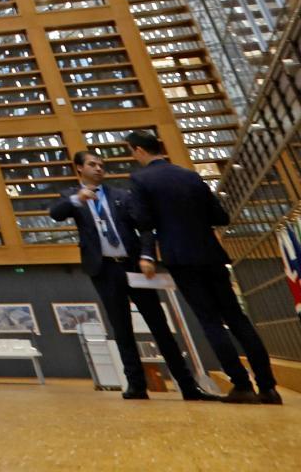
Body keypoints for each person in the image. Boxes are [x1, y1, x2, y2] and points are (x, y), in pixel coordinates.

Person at [126, 129, 282, 405]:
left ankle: (242, 385)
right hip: (211, 254)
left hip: (180, 257)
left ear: (138, 151)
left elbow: (144, 223)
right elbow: (219, 216)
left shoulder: (140, 180)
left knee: (210, 321)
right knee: (237, 319)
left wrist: (148, 255)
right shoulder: (190, 175)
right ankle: (268, 387)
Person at [49, 149, 207, 400]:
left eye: (101, 164)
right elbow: (55, 214)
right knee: (121, 328)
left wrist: (147, 255)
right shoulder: (71, 197)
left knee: (160, 327)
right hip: (104, 269)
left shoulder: (121, 195)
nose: (99, 168)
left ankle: (187, 385)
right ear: (79, 168)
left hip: (134, 266)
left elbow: (144, 227)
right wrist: (78, 199)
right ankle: (136, 385)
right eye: (92, 164)